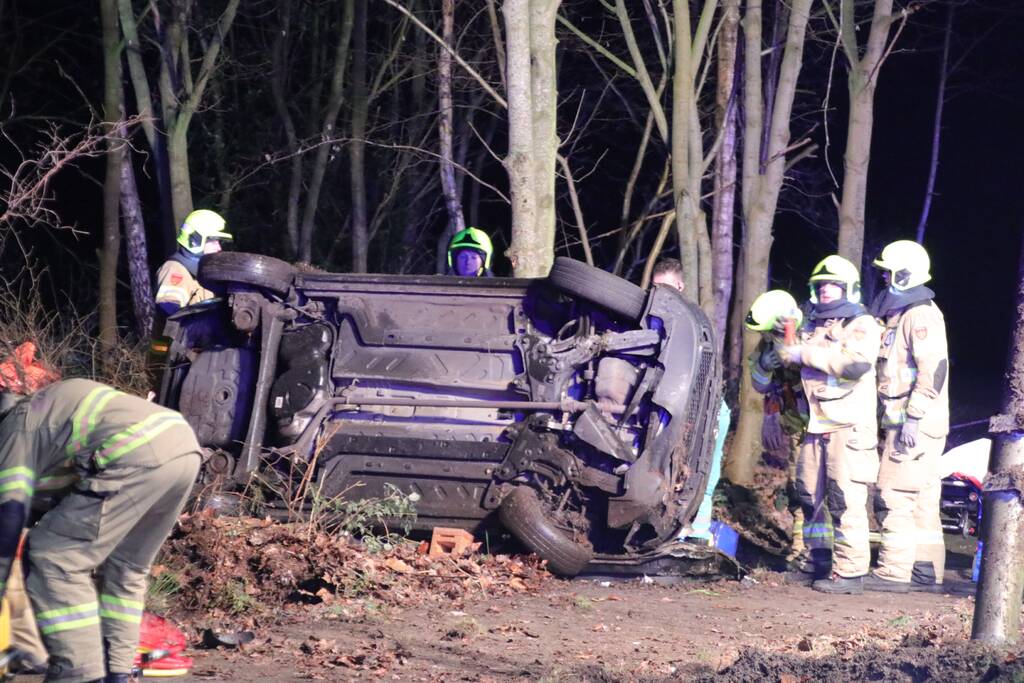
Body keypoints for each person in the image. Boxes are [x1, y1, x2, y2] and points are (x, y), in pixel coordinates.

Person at [0, 378, 202, 683]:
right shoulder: (49, 421)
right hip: (182, 447)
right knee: (126, 569)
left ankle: (79, 674)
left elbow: (9, 516)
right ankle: (117, 673)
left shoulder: (14, 429)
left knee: (54, 557)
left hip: (134, 451)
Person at [777, 255, 882, 594]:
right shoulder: (813, 325)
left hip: (847, 427)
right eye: (821, 285)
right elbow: (793, 363)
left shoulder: (862, 324)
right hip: (816, 425)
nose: (825, 290)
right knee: (809, 494)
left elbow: (855, 366)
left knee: (844, 498)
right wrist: (786, 340)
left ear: (849, 288)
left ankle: (850, 571)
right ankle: (817, 559)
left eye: (833, 285)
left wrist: (804, 354)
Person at [864, 240, 949, 593]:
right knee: (922, 498)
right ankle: (925, 569)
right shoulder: (908, 313)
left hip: (913, 421)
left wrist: (912, 416)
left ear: (904, 274)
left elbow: (934, 368)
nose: (884, 278)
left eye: (888, 272)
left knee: (893, 494)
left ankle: (893, 571)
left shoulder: (919, 315)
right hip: (921, 422)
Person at [745, 290, 822, 577]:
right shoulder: (767, 343)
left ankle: (821, 553)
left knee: (822, 489)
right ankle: (801, 550)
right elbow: (760, 384)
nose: (769, 336)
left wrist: (793, 346)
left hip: (824, 424)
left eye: (773, 330)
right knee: (799, 487)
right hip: (795, 425)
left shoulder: (815, 333)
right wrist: (765, 367)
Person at [154, 209, 233, 316]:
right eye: (213, 242)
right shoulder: (176, 269)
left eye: (219, 242)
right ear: (195, 241)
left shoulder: (202, 275)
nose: (219, 248)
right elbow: (167, 308)